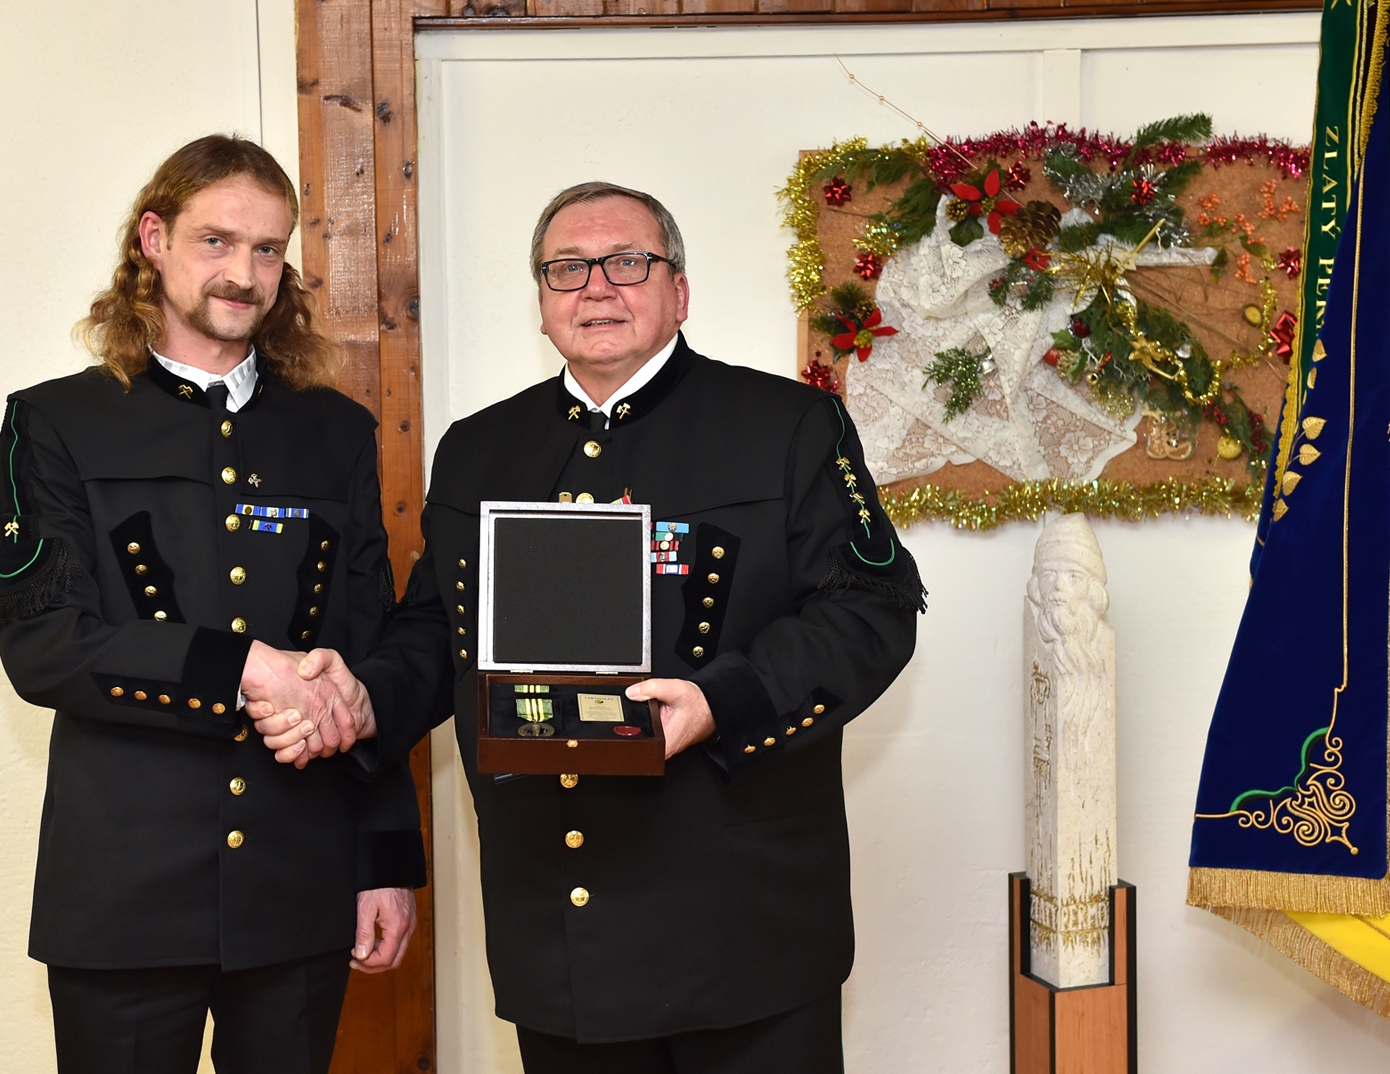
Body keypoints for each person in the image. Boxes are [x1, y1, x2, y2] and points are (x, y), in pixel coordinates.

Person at [255, 181, 922, 1072]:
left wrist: (720, 702)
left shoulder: (789, 426)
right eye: (567, 268)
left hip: (745, 926)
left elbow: (871, 610)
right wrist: (363, 697)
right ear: (541, 301)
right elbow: (437, 632)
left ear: (679, 290)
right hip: (561, 923)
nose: (597, 287)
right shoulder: (479, 449)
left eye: (628, 263)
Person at [0, 135, 426, 1074]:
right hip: (125, 897)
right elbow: (44, 643)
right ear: (154, 239)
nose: (244, 274)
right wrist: (244, 668)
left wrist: (384, 863)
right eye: (216, 241)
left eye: (267, 249)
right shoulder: (55, 422)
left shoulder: (336, 432)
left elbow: (365, 659)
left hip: (299, 885)